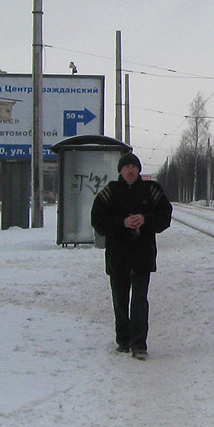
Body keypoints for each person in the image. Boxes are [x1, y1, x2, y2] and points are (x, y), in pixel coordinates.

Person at [91, 152, 172, 360]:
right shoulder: (110, 192)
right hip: (117, 255)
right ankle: (123, 340)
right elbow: (98, 221)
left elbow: (164, 216)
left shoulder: (151, 190)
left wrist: (145, 219)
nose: (130, 170)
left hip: (142, 255)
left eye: (134, 167)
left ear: (139, 170)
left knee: (139, 300)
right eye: (126, 167)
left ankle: (139, 344)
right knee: (119, 299)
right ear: (120, 170)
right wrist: (122, 223)